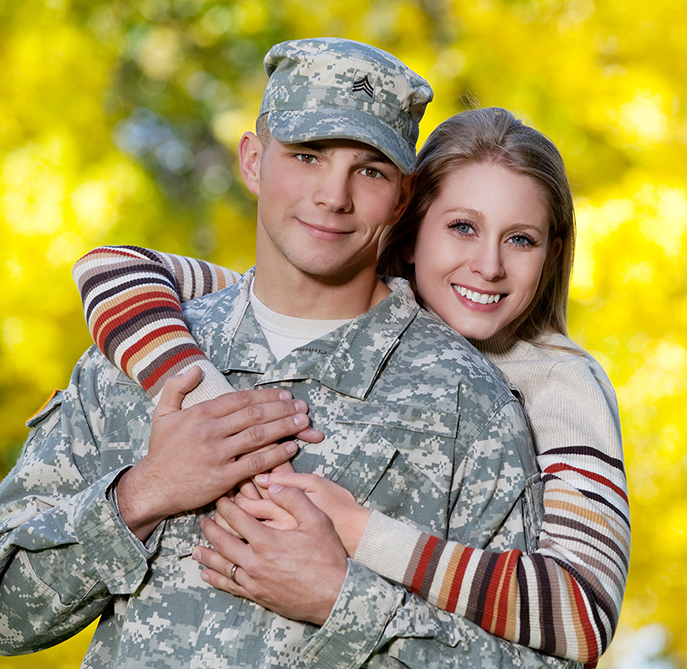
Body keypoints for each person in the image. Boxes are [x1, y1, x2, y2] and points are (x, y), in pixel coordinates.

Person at [0, 38, 569, 669]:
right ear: (252, 160)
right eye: (307, 156)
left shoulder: (468, 403)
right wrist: (142, 493)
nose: (333, 196)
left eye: (370, 170)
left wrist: (343, 603)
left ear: (403, 197)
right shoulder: (138, 356)